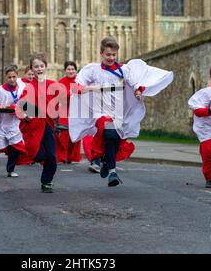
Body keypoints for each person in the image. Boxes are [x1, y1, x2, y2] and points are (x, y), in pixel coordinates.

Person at [69, 37, 174, 187]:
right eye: (108, 55)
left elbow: (135, 82)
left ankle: (105, 160)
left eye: (113, 55)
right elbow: (77, 86)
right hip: (100, 112)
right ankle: (112, 172)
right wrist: (88, 88)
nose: (111, 58)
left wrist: (138, 91)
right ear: (101, 54)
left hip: (119, 113)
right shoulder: (92, 70)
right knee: (110, 133)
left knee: (114, 140)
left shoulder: (123, 70)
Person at [16, 53, 64, 193]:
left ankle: (46, 182)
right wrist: (25, 115)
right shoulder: (28, 87)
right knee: (38, 155)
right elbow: (21, 106)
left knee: (52, 156)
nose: (39, 68)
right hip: (32, 127)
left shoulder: (51, 85)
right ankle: (42, 163)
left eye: (41, 66)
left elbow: (66, 94)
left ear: (46, 67)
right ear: (32, 69)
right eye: (36, 66)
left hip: (47, 126)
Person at [55, 61, 82, 165]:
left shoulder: (80, 81)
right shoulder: (61, 82)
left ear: (76, 70)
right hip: (64, 111)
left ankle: (71, 156)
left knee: (75, 134)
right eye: (69, 69)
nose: (71, 71)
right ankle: (62, 156)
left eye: (73, 69)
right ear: (64, 70)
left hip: (77, 111)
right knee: (64, 134)